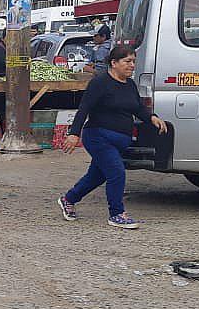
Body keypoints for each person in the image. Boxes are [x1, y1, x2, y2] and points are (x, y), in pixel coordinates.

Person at [58, 44, 168, 230]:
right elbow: (84, 108)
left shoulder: (130, 85)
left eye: (133, 61)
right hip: (98, 136)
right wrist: (74, 134)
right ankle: (116, 213)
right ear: (114, 63)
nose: (132, 65)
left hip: (120, 141)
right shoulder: (99, 83)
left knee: (96, 176)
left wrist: (152, 117)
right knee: (116, 171)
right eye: (127, 61)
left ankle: (68, 199)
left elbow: (138, 108)